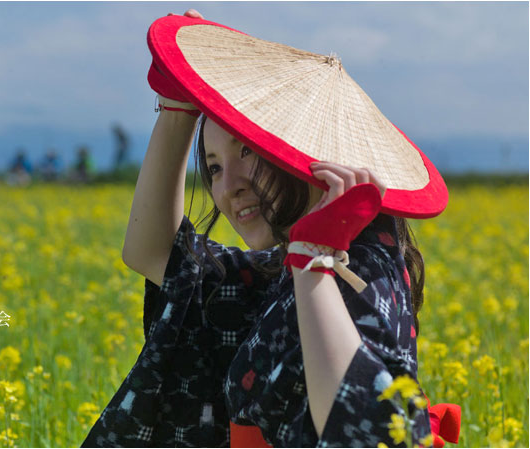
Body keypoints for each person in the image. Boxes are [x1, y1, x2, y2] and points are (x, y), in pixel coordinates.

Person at [82, 9, 459, 448]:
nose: (230, 188)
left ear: (310, 154)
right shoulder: (290, 269)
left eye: (248, 152)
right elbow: (156, 256)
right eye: (214, 167)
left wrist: (314, 260)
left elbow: (366, 430)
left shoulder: (361, 266)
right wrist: (177, 107)